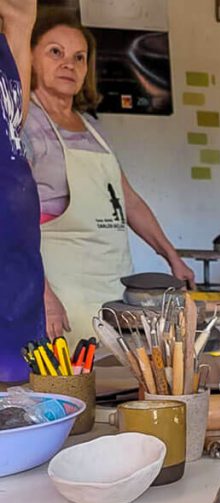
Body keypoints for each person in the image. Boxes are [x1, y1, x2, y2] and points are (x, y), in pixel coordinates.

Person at [24, 11, 193, 342]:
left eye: (79, 57)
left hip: (112, 286)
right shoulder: (26, 125)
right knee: (70, 385)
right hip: (60, 294)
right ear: (30, 57)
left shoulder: (91, 127)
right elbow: (12, 220)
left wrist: (172, 256)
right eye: (55, 52)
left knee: (113, 378)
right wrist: (42, 297)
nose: (68, 64)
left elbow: (128, 201)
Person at [0, 0, 44, 383]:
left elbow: (14, 120)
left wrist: (21, 21)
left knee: (21, 396)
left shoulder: (9, 35)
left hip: (17, 264)